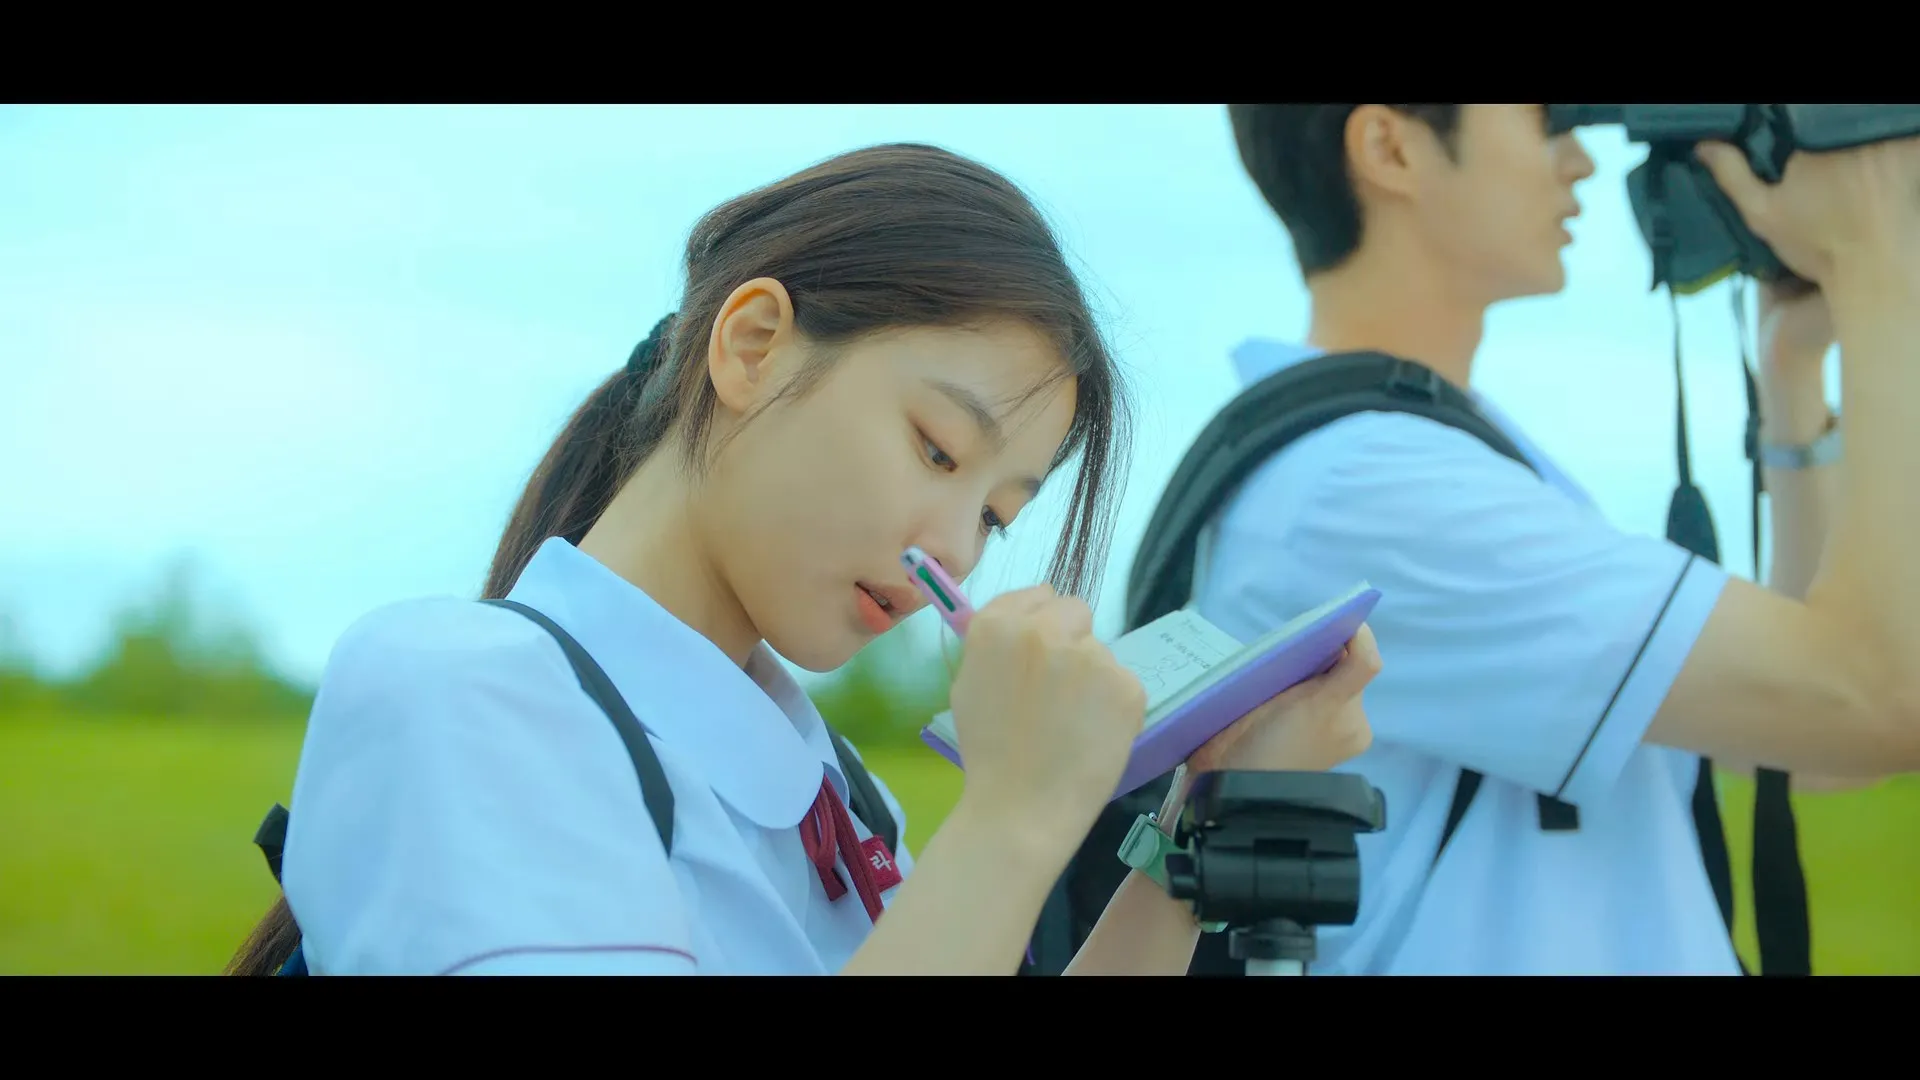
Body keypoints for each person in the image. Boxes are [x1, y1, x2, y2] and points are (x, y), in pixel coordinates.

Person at [223, 141, 1379, 977]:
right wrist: (1014, 818)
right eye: (936, 449)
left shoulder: (841, 796)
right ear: (753, 345)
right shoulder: (459, 692)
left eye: (994, 516)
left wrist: (1194, 818)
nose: (953, 549)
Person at [1168, 104, 1920, 975]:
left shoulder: (1424, 465)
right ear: (1390, 147)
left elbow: (1807, 745)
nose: (1582, 162)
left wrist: (1790, 371)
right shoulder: (1377, 490)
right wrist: (1877, 259)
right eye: (1549, 119)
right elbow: (1880, 698)